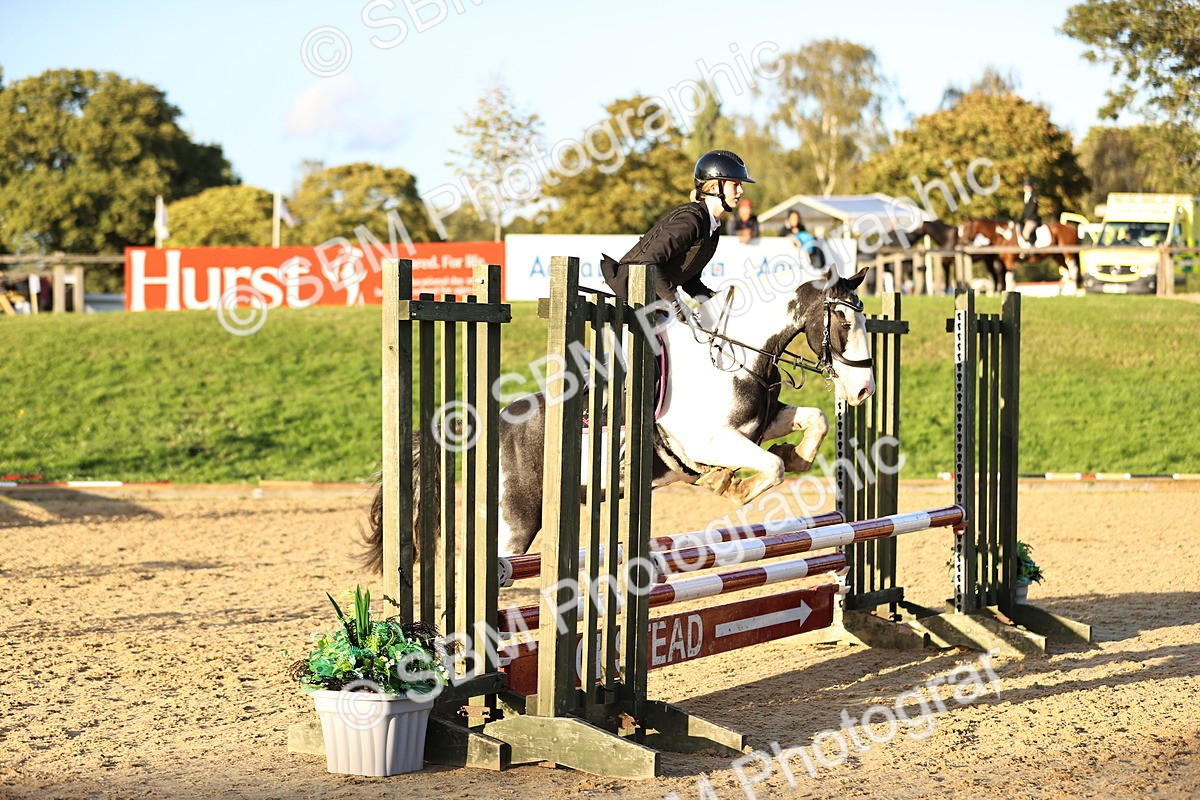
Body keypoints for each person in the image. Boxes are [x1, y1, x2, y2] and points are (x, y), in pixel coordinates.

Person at [600, 149, 754, 318]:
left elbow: (688, 277)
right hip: (628, 299)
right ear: (715, 185)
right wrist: (675, 303)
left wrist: (711, 298)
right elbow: (648, 264)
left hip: (651, 303)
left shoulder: (712, 226)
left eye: (741, 185)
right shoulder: (691, 220)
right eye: (735, 184)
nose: (740, 191)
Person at [1019, 178, 1042, 247]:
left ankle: (1032, 249)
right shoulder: (1026, 196)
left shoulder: (1034, 196)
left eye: (1026, 187)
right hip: (1026, 219)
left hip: (1032, 219)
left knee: (1026, 233)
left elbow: (1031, 209)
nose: (1025, 188)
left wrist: (1025, 217)